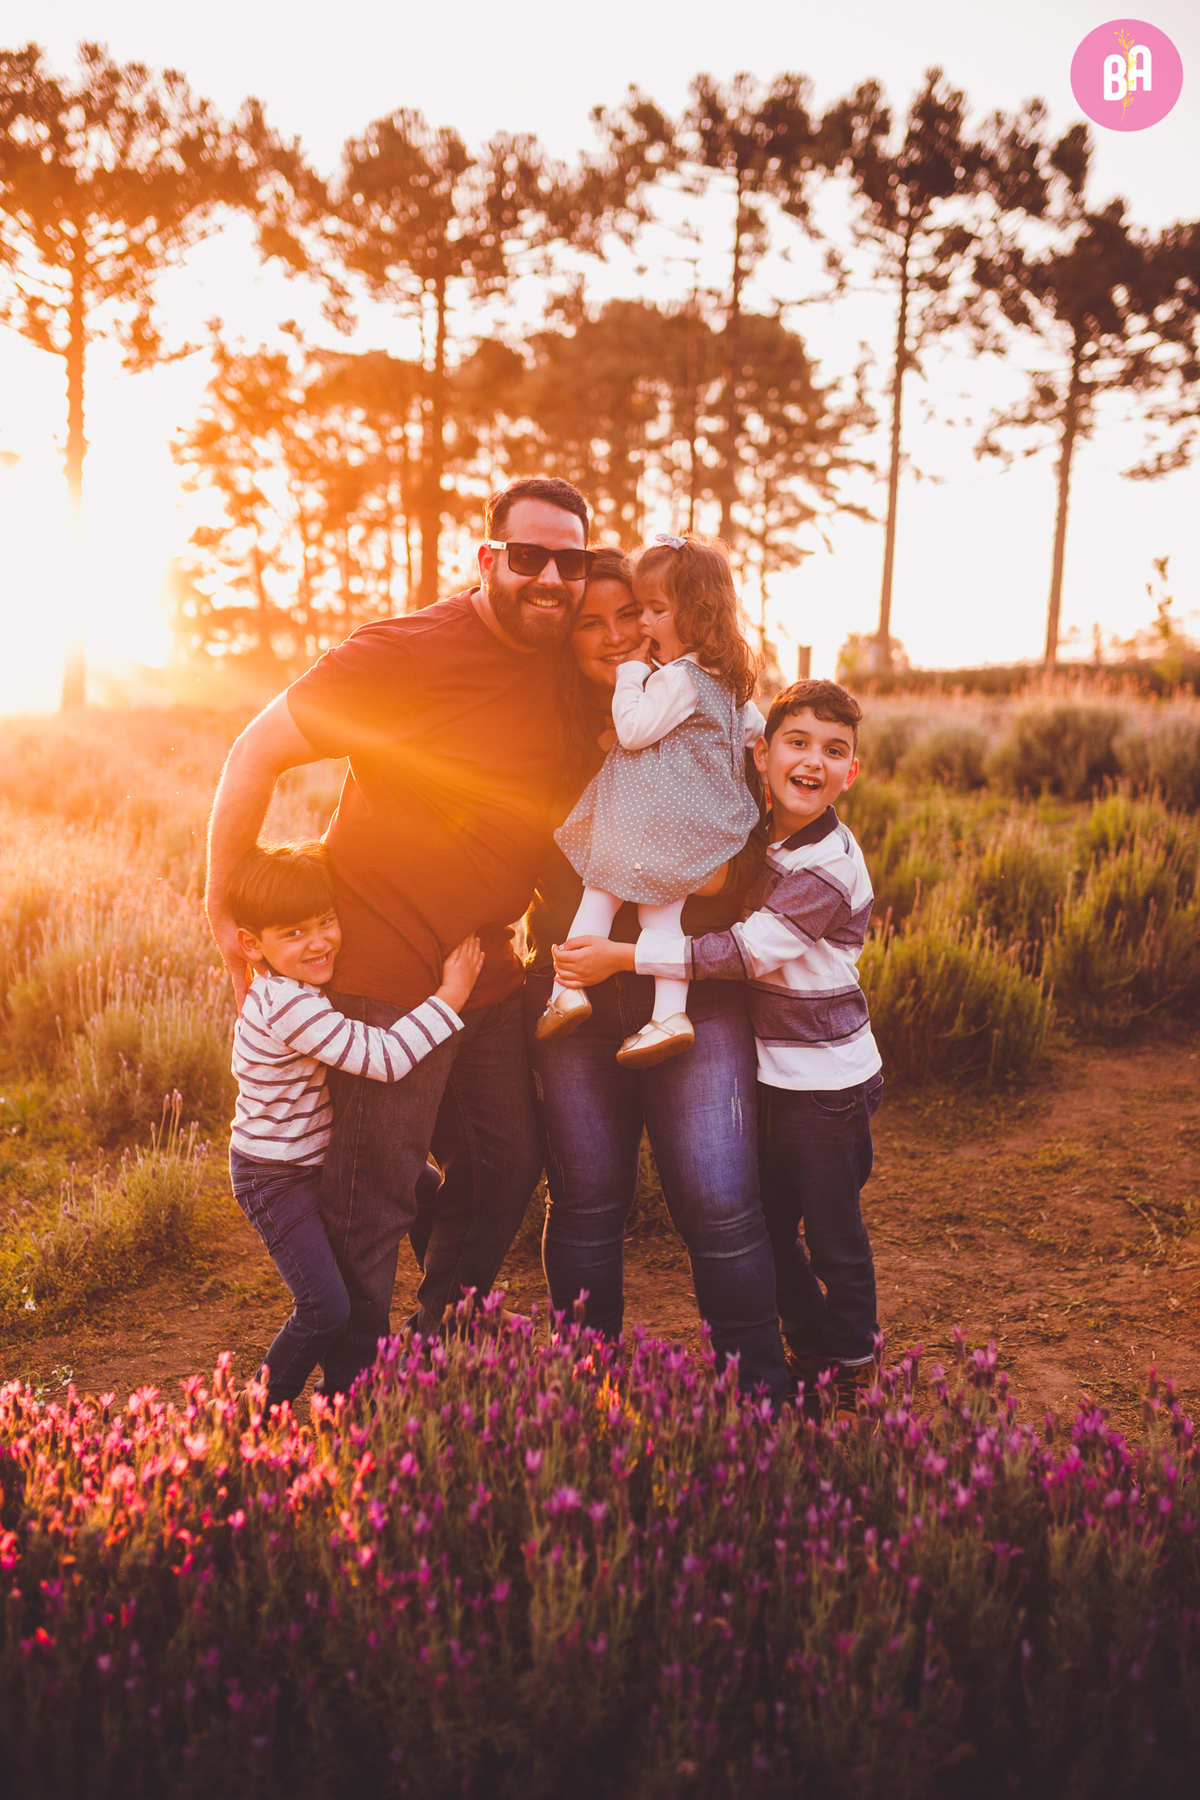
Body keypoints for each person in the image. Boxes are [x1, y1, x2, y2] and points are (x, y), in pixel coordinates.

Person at [206, 475, 593, 1395]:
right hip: (383, 968)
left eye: (569, 562)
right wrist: (222, 906)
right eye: (529, 556)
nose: (550, 577)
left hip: (487, 970)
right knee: (372, 1188)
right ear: (487, 557)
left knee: (505, 1164)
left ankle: (436, 1345)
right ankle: (353, 1386)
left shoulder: (569, 662)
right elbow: (257, 749)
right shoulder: (407, 651)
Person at [556, 679, 883, 1415]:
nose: (814, 762)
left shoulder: (827, 865)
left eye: (835, 752)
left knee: (833, 1234)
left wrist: (622, 957)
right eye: (796, 743)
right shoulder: (762, 830)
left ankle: (854, 1354)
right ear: (760, 755)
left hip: (827, 1085)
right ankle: (808, 1337)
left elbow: (742, 953)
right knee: (768, 1221)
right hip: (775, 1072)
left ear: (851, 773)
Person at [524, 548, 787, 1408]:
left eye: (633, 614)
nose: (620, 632)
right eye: (595, 621)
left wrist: (703, 873)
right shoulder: (549, 731)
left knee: (719, 1203)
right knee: (589, 1200)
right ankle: (587, 1392)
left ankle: (760, 1394)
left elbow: (757, 841)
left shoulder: (698, 692)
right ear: (566, 633)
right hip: (580, 999)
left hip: (696, 995)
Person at [227, 840, 484, 1405]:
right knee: (325, 1308)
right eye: (294, 933)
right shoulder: (291, 1005)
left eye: (326, 922)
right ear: (253, 944)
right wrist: (451, 996)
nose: (319, 941)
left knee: (427, 1191)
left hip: (311, 1153)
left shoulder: (297, 987)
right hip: (275, 1176)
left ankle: (450, 1299)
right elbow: (385, 1059)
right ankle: (260, 1404)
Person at [537, 534, 762, 1069]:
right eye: (593, 623)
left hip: (648, 825)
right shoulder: (724, 684)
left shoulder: (676, 679)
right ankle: (669, 1015)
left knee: (599, 889)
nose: (639, 628)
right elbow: (753, 730)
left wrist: (632, 674)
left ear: (695, 614)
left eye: (650, 611)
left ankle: (565, 990)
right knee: (664, 920)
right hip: (698, 827)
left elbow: (636, 730)